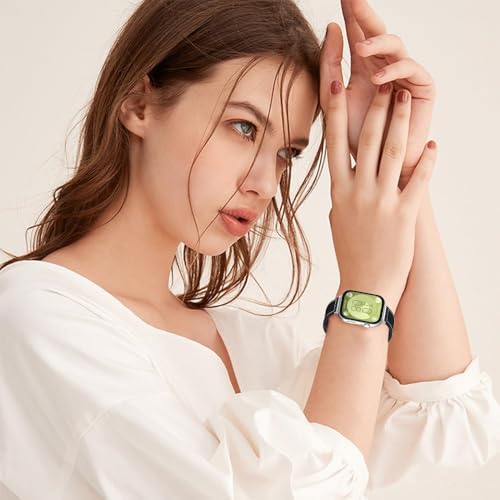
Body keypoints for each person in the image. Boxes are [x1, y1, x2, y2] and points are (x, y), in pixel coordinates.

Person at [1, 0, 499, 498]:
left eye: (286, 153)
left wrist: (397, 162)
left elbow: (442, 418)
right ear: (138, 104)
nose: (264, 182)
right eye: (244, 128)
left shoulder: (253, 345)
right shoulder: (39, 319)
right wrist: (365, 293)